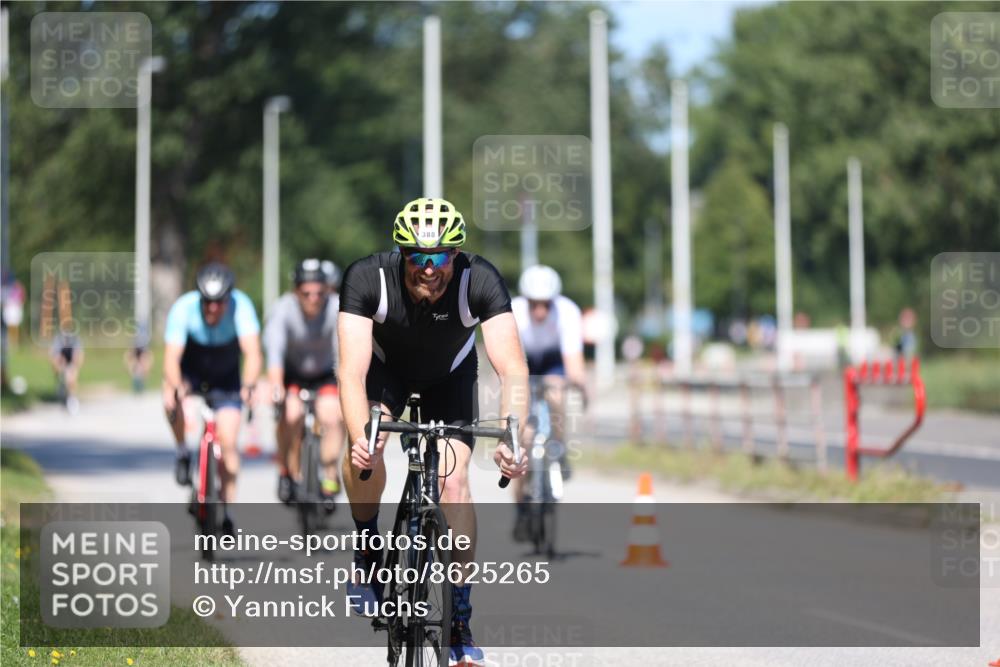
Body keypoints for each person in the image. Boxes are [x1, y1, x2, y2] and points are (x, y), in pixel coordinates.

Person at [338, 197, 528, 665]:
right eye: (418, 256)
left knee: (454, 482)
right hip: (386, 374)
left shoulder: (479, 279)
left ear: (455, 254)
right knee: (365, 448)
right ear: (401, 253)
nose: (429, 268)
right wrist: (362, 438)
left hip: (449, 380)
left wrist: (512, 438)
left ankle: (459, 617)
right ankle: (367, 548)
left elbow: (513, 368)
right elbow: (350, 373)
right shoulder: (367, 278)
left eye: (440, 256)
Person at [162, 262, 262, 533]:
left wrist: (249, 384)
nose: (213, 308)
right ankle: (182, 451)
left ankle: (227, 510)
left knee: (228, 443)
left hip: (226, 376)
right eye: (207, 302)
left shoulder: (242, 306)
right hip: (192, 370)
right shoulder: (183, 308)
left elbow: (253, 353)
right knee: (169, 396)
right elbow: (171, 358)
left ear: (229, 297)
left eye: (220, 302)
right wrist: (176, 386)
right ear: (199, 297)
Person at [509, 265, 587, 539]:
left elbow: (574, 361)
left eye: (546, 304)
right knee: (524, 439)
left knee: (556, 393)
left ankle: (558, 446)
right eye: (534, 304)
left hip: (554, 361)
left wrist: (579, 385)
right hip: (524, 361)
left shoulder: (567, 311)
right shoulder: (514, 311)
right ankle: (521, 508)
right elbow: (508, 363)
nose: (540, 311)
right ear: (526, 301)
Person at [265, 258, 344, 508]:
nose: (313, 299)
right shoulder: (283, 309)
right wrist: (276, 387)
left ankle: (329, 474)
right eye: (306, 293)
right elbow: (275, 353)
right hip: (293, 374)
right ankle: (287, 470)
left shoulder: (337, 307)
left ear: (327, 290)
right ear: (296, 291)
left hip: (325, 373)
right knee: (290, 415)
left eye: (319, 293)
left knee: (332, 415)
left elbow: (343, 353)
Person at [49, 324, 84, 414]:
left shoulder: (75, 340)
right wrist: (58, 369)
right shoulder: (58, 341)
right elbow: (55, 357)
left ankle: (72, 399)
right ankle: (63, 391)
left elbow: (78, 355)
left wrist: (74, 368)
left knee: (72, 379)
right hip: (61, 361)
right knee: (63, 378)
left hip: (71, 361)